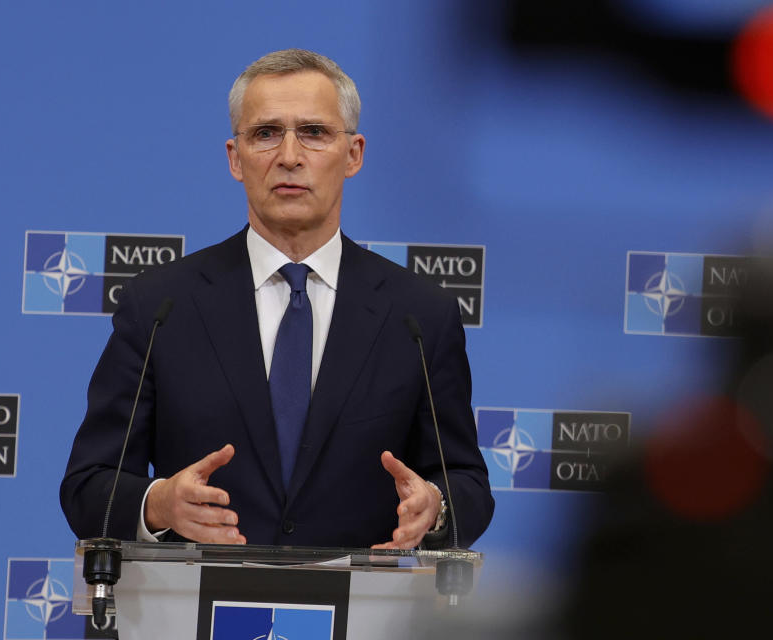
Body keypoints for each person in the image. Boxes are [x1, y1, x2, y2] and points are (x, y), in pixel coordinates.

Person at [60, 49, 493, 550]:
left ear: (353, 154)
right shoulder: (160, 306)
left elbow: (468, 485)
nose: (289, 156)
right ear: (234, 157)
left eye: (314, 132)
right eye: (265, 134)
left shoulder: (419, 316)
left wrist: (436, 508)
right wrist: (158, 504)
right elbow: (87, 486)